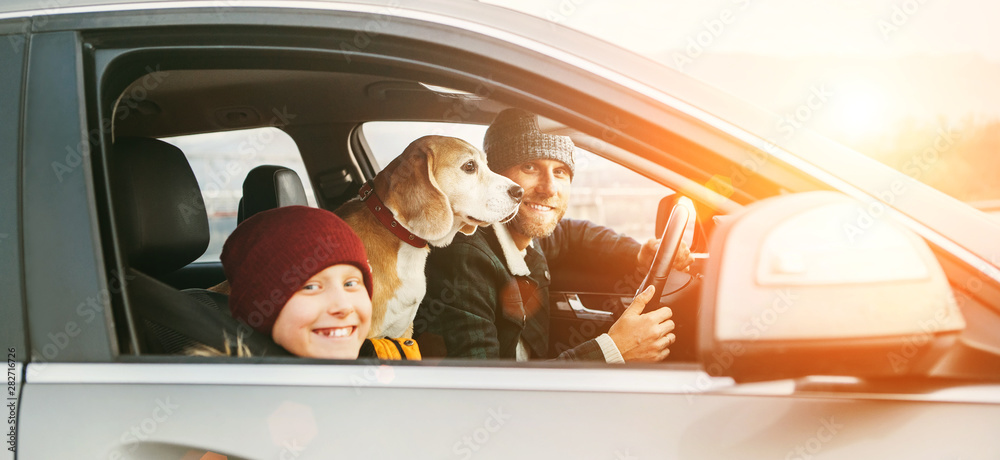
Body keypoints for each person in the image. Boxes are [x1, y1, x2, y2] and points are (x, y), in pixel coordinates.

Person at [414, 108, 689, 362]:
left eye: (560, 172)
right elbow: (485, 393)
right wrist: (613, 351)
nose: (548, 188)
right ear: (496, 177)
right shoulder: (463, 260)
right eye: (530, 167)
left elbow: (571, 233)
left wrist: (638, 253)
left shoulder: (524, 235)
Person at [189, 205, 420, 360]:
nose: (343, 306)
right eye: (310, 287)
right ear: (259, 305)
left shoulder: (391, 363)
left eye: (351, 284)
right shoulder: (232, 398)